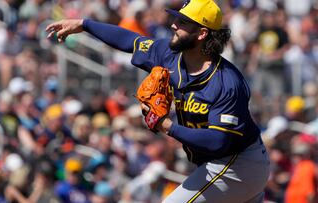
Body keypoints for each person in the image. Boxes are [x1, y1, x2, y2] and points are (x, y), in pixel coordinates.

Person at [46, 0, 270, 202]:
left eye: (182, 22)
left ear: (202, 33)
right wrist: (85, 24)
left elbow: (218, 141)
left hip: (238, 164)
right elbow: (130, 41)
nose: (173, 24)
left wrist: (166, 125)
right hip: (223, 164)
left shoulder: (227, 82)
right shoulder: (168, 54)